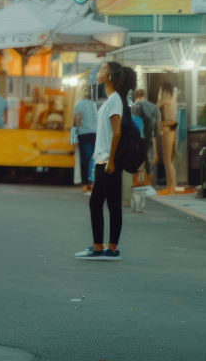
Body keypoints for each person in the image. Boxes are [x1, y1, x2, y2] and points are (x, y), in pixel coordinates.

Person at [74, 61, 136, 261]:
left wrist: (111, 160)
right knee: (97, 203)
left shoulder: (115, 99)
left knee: (111, 204)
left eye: (102, 69)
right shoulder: (111, 99)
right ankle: (100, 247)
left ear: (109, 75)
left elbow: (117, 131)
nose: (98, 72)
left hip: (109, 160)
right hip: (103, 159)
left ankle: (110, 248)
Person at [156, 82, 180, 195]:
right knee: (169, 160)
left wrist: (158, 103)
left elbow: (157, 107)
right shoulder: (173, 98)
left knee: (167, 160)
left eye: (161, 90)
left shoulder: (166, 101)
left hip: (166, 129)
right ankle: (172, 186)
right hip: (172, 129)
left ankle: (171, 187)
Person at [73, 88, 98, 191]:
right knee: (92, 157)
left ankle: (88, 182)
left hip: (83, 133)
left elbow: (78, 118)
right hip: (94, 133)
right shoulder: (93, 104)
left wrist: (76, 130)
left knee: (85, 159)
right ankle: (92, 180)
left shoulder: (78, 104)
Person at [132, 89, 159, 181]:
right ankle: (151, 182)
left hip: (140, 138)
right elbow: (157, 125)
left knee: (141, 161)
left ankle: (141, 182)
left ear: (136, 96)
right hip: (152, 137)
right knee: (151, 161)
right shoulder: (154, 107)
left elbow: (134, 123)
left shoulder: (135, 106)